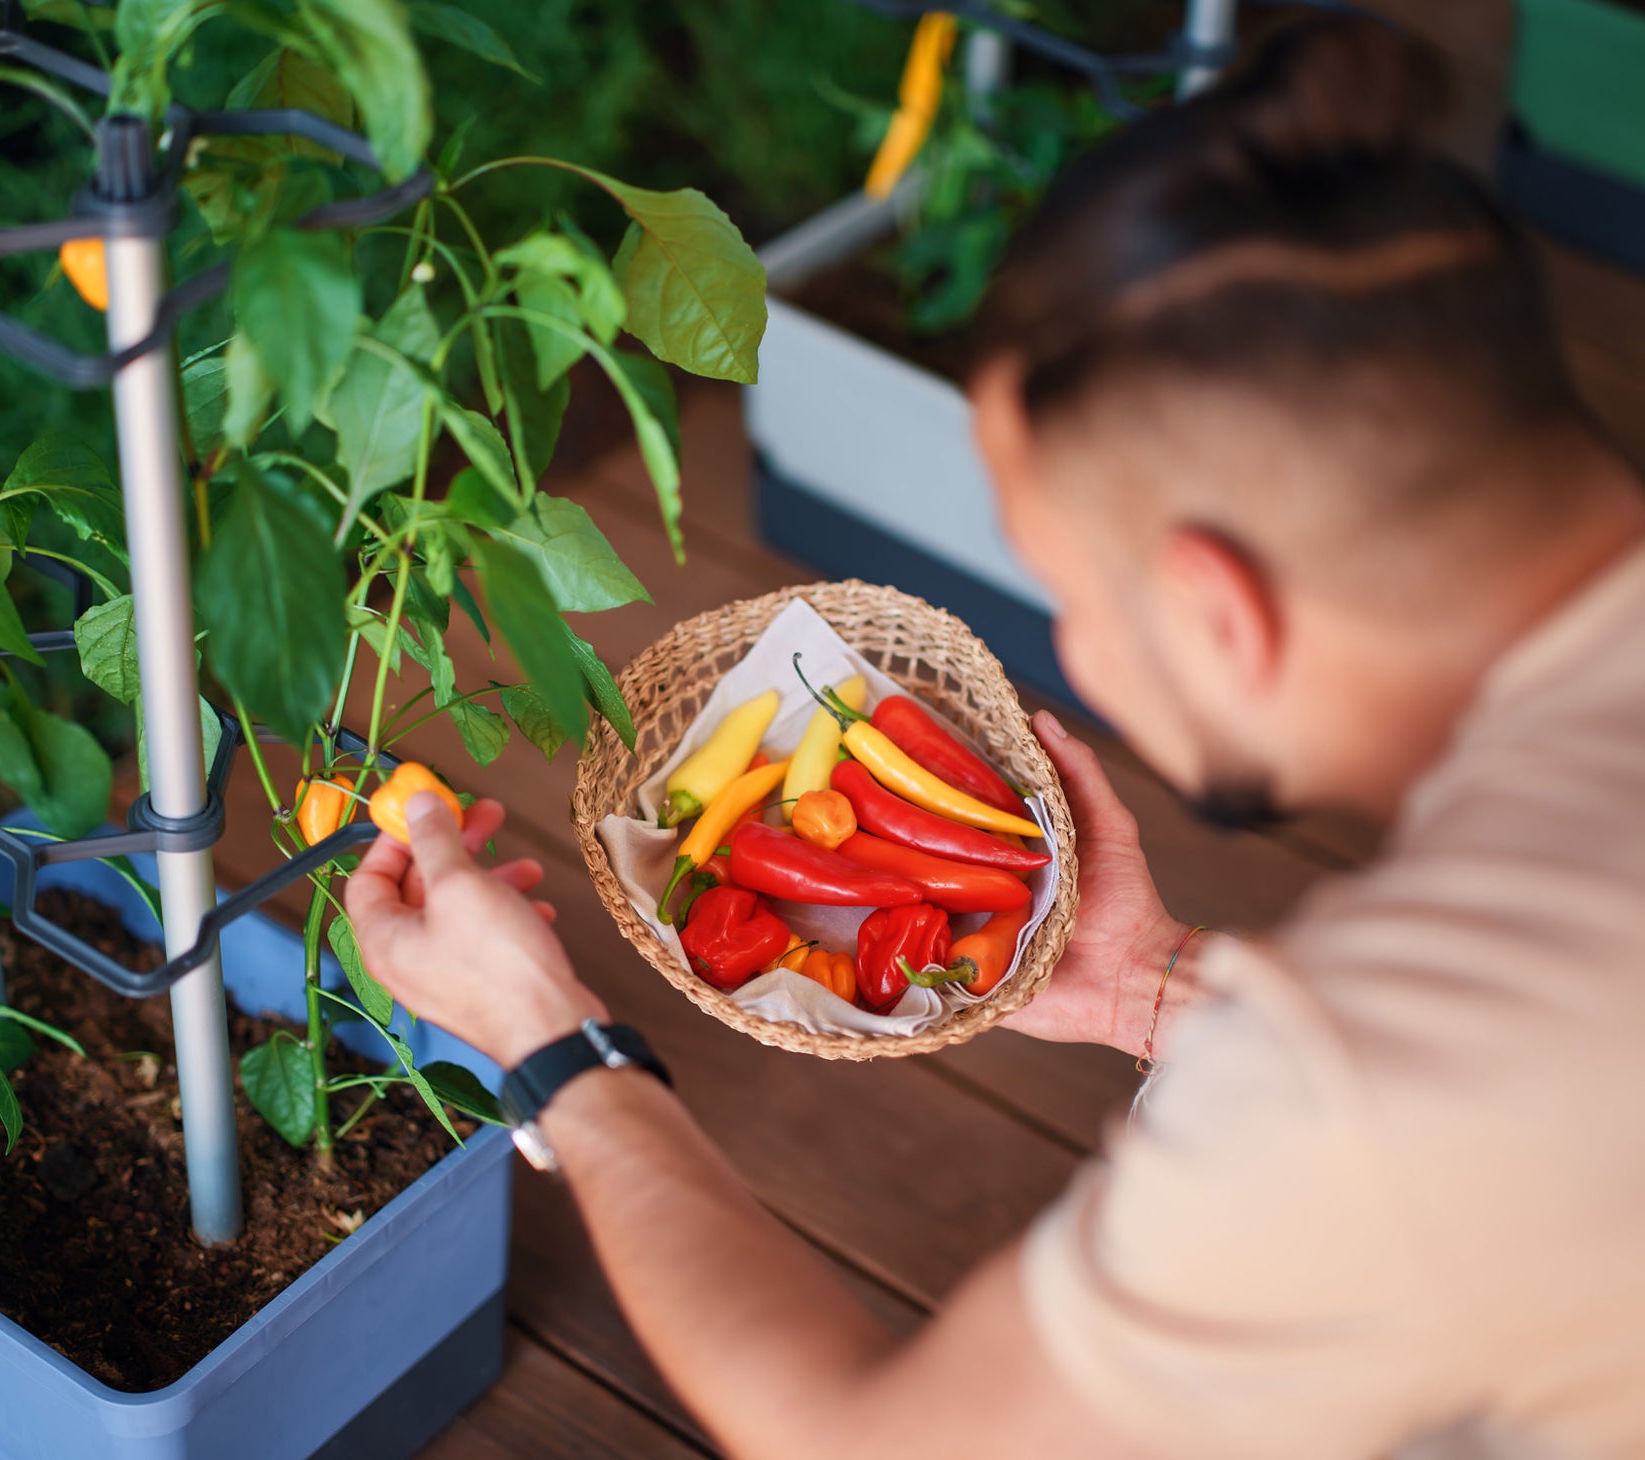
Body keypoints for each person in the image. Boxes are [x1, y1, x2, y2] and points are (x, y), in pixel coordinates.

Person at [347, 15, 1645, 1459]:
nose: (1073, 652)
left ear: (1215, 612)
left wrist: (550, 1046)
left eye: (1071, 596)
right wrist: (1153, 991)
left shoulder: (1369, 1088)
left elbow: (866, 1442)